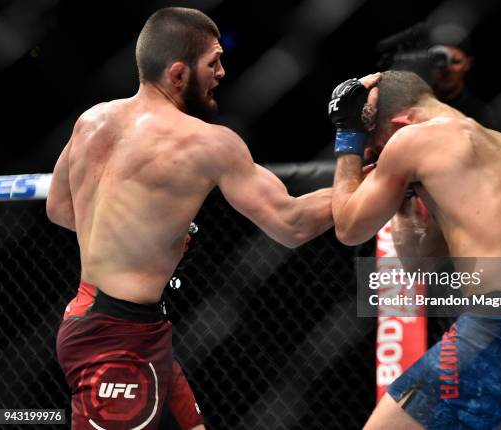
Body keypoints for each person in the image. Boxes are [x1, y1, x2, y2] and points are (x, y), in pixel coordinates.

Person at [47, 7, 332, 429]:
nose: (222, 72)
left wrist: (139, 233)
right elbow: (291, 224)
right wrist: (378, 180)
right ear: (178, 74)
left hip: (111, 321)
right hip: (116, 338)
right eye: (212, 61)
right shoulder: (208, 142)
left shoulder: (92, 119)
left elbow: (60, 209)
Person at [329, 71, 501, 429]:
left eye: (379, 146)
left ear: (403, 122)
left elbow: (348, 228)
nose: (379, 156)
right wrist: (402, 202)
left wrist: (348, 139)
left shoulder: (414, 139)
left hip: (500, 327)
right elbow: (418, 261)